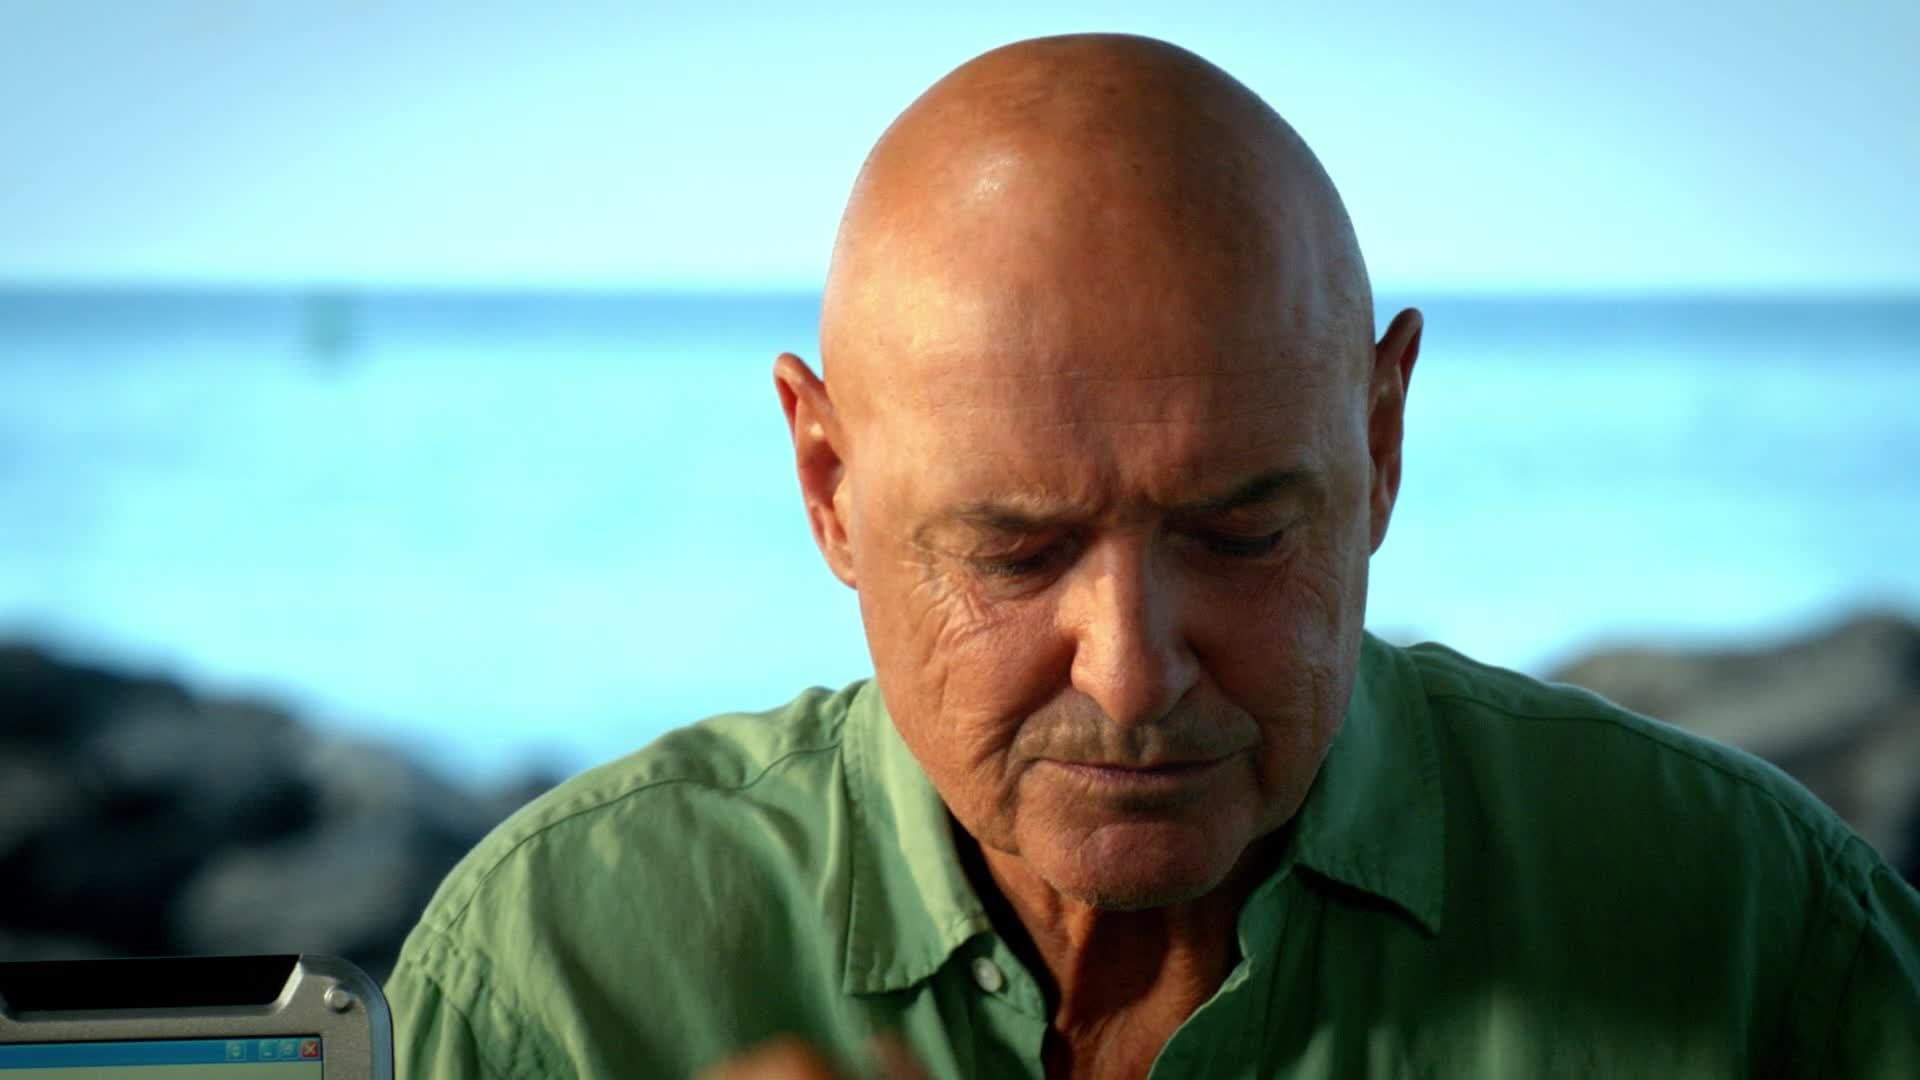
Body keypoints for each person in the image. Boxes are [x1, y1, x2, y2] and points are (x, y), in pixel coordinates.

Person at [384, 33, 1920, 1078]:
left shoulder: (1757, 931)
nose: (1131, 674)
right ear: (829, 486)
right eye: (1014, 552)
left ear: (1381, 447)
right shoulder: (555, 977)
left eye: (1242, 533)